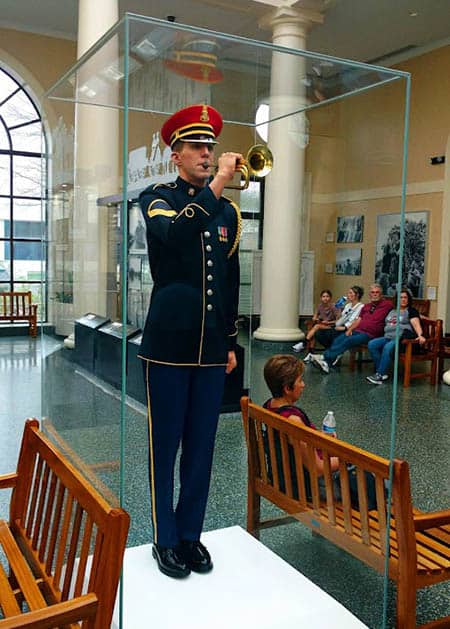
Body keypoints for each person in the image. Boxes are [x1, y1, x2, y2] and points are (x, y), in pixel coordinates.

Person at [138, 104, 242, 579]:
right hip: (168, 347)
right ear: (175, 155)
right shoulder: (157, 197)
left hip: (209, 351)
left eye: (211, 147)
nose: (207, 154)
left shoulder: (229, 214)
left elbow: (229, 279)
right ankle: (164, 538)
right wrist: (218, 184)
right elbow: (178, 236)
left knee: (202, 449)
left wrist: (230, 342)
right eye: (198, 147)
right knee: (166, 447)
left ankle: (191, 535)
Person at [263, 355, 339, 487]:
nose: (303, 385)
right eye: (300, 381)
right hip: (301, 487)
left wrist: (319, 436)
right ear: (287, 388)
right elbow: (318, 469)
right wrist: (348, 460)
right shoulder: (293, 420)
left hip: (278, 477)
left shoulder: (269, 406)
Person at [312, 283, 392, 373]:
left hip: (370, 334)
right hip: (358, 330)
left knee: (349, 340)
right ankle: (327, 363)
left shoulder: (387, 305)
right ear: (369, 294)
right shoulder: (366, 306)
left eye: (377, 292)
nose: (375, 294)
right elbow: (358, 320)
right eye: (372, 292)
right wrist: (349, 330)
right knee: (340, 338)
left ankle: (325, 357)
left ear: (381, 294)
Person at [366, 288, 426, 384]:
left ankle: (379, 375)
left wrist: (420, 335)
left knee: (387, 347)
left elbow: (416, 323)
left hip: (401, 339)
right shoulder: (392, 310)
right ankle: (381, 372)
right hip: (387, 337)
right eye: (401, 297)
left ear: (408, 299)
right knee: (372, 344)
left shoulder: (411, 310)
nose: (403, 299)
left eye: (405, 297)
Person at [312, 285, 365, 353]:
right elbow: (340, 318)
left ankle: (332, 351)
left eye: (350, 293)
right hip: (338, 326)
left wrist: (344, 328)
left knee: (331, 334)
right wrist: (338, 308)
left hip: (348, 329)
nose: (348, 295)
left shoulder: (361, 306)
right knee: (319, 333)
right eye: (348, 293)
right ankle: (331, 350)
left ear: (357, 295)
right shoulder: (348, 305)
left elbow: (355, 321)